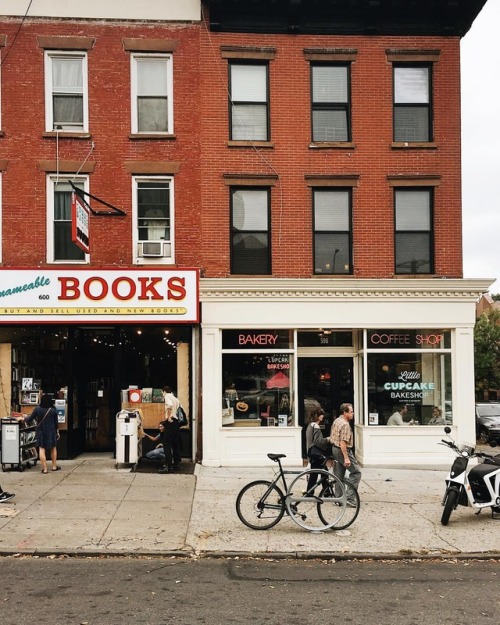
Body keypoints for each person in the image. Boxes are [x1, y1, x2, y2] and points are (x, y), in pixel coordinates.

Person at [329, 402, 362, 495]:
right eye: (351, 412)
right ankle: (350, 497)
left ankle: (338, 497)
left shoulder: (337, 420)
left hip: (335, 449)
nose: (353, 414)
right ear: (345, 412)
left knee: (339, 475)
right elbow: (343, 442)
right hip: (342, 450)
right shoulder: (345, 425)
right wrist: (346, 458)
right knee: (356, 473)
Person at [23, 394, 60, 474]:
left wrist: (23, 418)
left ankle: (45, 469)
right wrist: (57, 431)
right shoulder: (53, 410)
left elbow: (29, 419)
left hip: (41, 431)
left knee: (41, 449)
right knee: (53, 448)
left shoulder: (37, 409)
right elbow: (56, 423)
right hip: (51, 431)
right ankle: (54, 466)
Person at [305, 408, 330, 491]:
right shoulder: (315, 426)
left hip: (312, 453)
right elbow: (318, 441)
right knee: (323, 473)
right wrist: (328, 439)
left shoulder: (310, 425)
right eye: (321, 414)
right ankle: (325, 491)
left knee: (318, 473)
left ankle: (322, 491)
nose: (323, 416)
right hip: (316, 454)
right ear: (318, 416)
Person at [158, 386, 182, 474]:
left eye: (162, 392)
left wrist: (168, 417)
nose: (162, 394)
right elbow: (180, 408)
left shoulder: (167, 397)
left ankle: (168, 466)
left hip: (171, 422)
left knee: (166, 444)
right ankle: (177, 464)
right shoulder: (175, 398)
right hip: (176, 423)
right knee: (175, 444)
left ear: (164, 391)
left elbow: (169, 406)